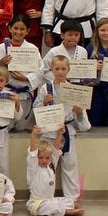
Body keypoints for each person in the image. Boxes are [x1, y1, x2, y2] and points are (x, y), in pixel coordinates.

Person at [33, 55, 91, 199]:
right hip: (49, 133)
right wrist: (44, 103)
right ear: (51, 69)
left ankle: (72, 199)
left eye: (63, 69)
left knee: (70, 165)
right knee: (47, 164)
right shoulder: (45, 88)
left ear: (68, 70)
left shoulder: (75, 90)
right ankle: (43, 196)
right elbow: (36, 111)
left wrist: (79, 113)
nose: (60, 72)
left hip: (67, 131)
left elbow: (84, 124)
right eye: (57, 68)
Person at [0, 16, 41, 131]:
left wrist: (26, 78)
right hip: (6, 93)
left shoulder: (32, 48)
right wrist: (1, 63)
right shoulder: (2, 48)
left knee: (21, 128)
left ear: (27, 31)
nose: (18, 32)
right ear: (9, 28)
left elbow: (40, 71)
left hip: (24, 96)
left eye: (22, 29)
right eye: (15, 28)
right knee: (5, 127)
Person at [26, 127, 84, 216]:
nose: (44, 161)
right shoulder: (34, 167)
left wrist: (59, 134)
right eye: (41, 158)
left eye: (47, 158)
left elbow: (56, 149)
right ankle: (67, 212)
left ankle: (64, 208)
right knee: (55, 208)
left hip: (50, 200)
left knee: (70, 201)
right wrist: (34, 135)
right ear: (37, 157)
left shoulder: (51, 165)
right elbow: (32, 151)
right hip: (37, 203)